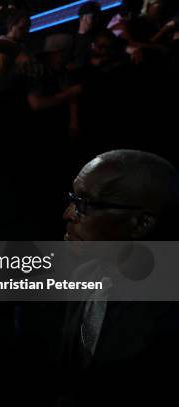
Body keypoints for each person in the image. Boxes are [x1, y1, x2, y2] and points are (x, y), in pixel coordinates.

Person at [59, 149, 179, 406]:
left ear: (140, 224)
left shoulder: (167, 313)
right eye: (73, 199)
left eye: (85, 204)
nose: (68, 214)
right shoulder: (85, 275)